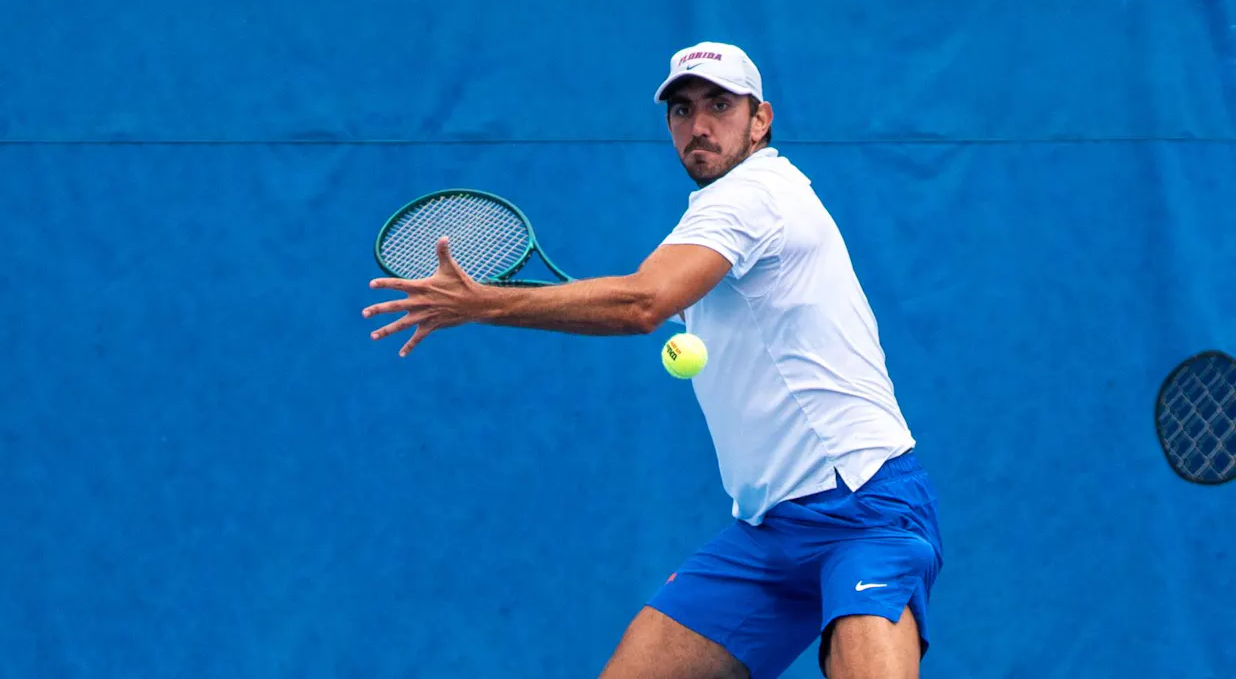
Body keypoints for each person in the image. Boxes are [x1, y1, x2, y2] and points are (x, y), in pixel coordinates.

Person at [361, 42, 943, 679]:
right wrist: (494, 300)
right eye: (682, 110)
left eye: (720, 105)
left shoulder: (755, 195)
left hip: (862, 507)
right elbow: (642, 300)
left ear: (761, 119)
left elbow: (641, 302)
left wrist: (482, 304)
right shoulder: (713, 221)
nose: (698, 125)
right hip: (769, 530)